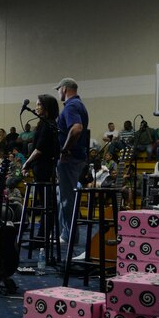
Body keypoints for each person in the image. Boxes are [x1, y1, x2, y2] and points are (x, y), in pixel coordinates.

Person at [55, 78, 88, 244]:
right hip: (77, 157)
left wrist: (65, 149)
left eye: (58, 89)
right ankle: (69, 234)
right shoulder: (79, 105)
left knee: (66, 198)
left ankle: (68, 236)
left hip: (70, 158)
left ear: (65, 88)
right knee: (66, 196)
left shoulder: (71, 106)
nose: (58, 92)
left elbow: (76, 129)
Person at [21, 93, 60, 183]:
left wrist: (27, 163)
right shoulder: (43, 124)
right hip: (39, 165)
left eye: (39, 104)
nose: (36, 108)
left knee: (44, 195)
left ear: (47, 106)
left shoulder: (48, 125)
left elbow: (39, 149)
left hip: (44, 166)